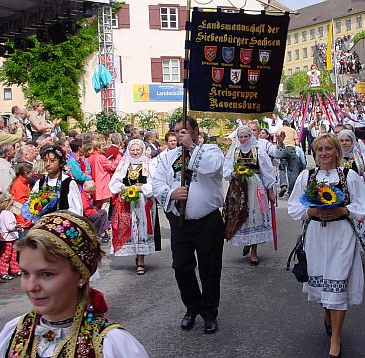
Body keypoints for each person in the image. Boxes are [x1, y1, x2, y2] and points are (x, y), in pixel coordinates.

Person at [0, 211, 149, 357]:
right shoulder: (13, 333)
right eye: (25, 273)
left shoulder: (112, 345)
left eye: (46, 274)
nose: (31, 287)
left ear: (80, 275)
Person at [288, 133, 365, 358]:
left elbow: (364, 205)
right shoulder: (307, 176)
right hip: (316, 235)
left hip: (341, 235)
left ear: (337, 151)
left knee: (338, 281)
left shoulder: (348, 175)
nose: (324, 153)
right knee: (324, 280)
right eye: (320, 150)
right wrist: (311, 211)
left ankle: (336, 338)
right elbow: (293, 206)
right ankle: (327, 313)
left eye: (328, 149)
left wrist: (344, 210)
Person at [152, 116, 224, 334]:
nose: (179, 135)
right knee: (182, 267)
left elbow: (212, 169)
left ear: (195, 132)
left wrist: (192, 148)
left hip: (208, 222)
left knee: (210, 269)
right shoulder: (167, 158)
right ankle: (192, 307)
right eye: (176, 131)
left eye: (184, 131)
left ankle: (210, 312)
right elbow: (157, 183)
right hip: (180, 222)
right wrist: (171, 193)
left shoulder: (211, 151)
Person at [223, 126, 276, 265]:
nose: (243, 139)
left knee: (255, 217)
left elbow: (267, 170)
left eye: (246, 136)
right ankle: (246, 241)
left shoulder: (258, 150)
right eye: (241, 137)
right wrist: (233, 174)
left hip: (255, 186)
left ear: (250, 136)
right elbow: (226, 168)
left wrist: (270, 190)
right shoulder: (234, 150)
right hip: (238, 187)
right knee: (240, 215)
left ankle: (254, 251)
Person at [109, 139, 157, 275]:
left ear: (142, 150)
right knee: (131, 228)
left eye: (138, 150)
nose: (135, 152)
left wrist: (141, 189)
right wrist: (124, 187)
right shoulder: (124, 164)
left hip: (142, 201)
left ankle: (141, 260)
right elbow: (114, 181)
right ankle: (137, 253)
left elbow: (154, 182)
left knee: (141, 228)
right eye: (132, 150)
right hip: (126, 201)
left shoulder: (148, 164)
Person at [338, 129, 365, 251]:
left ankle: (358, 252)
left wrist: (355, 180)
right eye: (341, 140)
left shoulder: (360, 157)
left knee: (358, 224)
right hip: (341, 198)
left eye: (347, 140)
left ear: (352, 141)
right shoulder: (334, 158)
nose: (344, 143)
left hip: (357, 197)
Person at [32, 145, 83, 216]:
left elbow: (77, 210)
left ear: (60, 162)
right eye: (45, 160)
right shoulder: (40, 182)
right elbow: (32, 205)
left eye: (52, 161)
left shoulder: (68, 183)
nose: (48, 164)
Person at [0, 193, 22, 280]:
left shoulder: (10, 212)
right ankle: (3, 272)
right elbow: (9, 226)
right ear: (7, 203)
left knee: (13, 255)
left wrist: (17, 228)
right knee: (6, 255)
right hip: (7, 238)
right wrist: (16, 227)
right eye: (12, 201)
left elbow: (12, 225)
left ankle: (15, 269)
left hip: (13, 237)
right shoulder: (5, 213)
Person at [276, 119, 300, 197]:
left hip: (282, 149)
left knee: (282, 168)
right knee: (292, 170)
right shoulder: (293, 130)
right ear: (289, 124)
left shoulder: (278, 130)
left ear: (283, 124)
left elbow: (275, 142)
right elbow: (297, 142)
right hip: (291, 149)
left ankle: (283, 185)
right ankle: (291, 190)